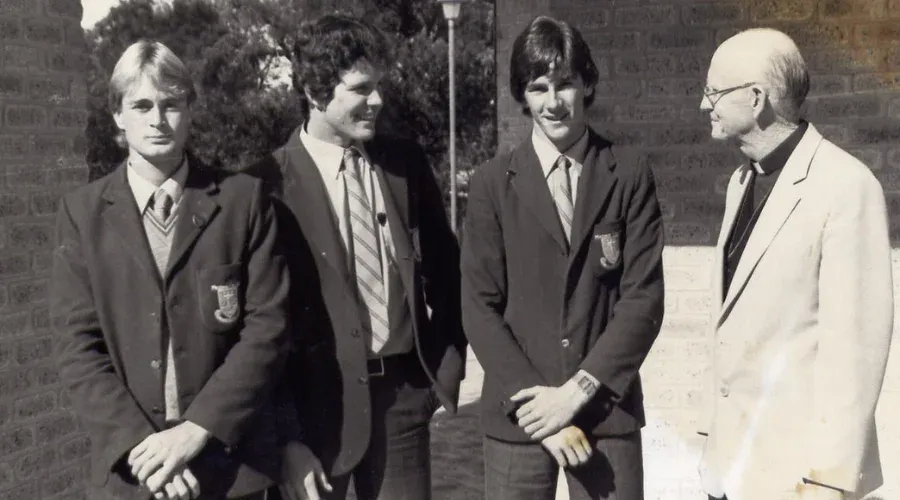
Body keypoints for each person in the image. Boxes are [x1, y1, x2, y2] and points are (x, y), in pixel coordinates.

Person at [52, 40, 292, 500]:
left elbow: (268, 327)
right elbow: (76, 347)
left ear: (191, 109)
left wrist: (197, 430)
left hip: (230, 467)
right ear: (117, 115)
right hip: (133, 473)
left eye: (171, 104)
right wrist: (143, 447)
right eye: (141, 105)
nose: (157, 120)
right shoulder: (83, 215)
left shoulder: (244, 201)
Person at [249, 14, 466, 500]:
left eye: (379, 86)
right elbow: (259, 323)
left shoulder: (404, 164)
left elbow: (449, 274)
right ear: (312, 89)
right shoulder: (266, 186)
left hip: (402, 403)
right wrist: (285, 434)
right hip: (311, 416)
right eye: (361, 88)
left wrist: (441, 374)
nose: (378, 101)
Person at [461, 15, 665, 500]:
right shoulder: (492, 184)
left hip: (605, 414)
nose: (553, 102)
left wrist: (577, 392)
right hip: (521, 418)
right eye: (537, 88)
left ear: (587, 83)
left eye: (565, 84)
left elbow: (643, 301)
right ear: (522, 95)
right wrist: (543, 413)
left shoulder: (629, 173)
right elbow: (479, 307)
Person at [697, 28, 894, 500]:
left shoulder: (846, 186)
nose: (705, 106)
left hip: (798, 480)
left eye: (713, 92)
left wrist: (827, 481)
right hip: (731, 470)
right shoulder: (740, 182)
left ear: (756, 97)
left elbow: (855, 351)